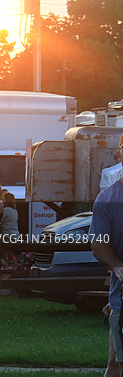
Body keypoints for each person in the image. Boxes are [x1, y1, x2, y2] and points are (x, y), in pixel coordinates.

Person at [91, 133, 123, 377]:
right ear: (119, 155)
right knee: (116, 364)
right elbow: (99, 244)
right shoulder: (108, 198)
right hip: (121, 293)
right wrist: (116, 266)